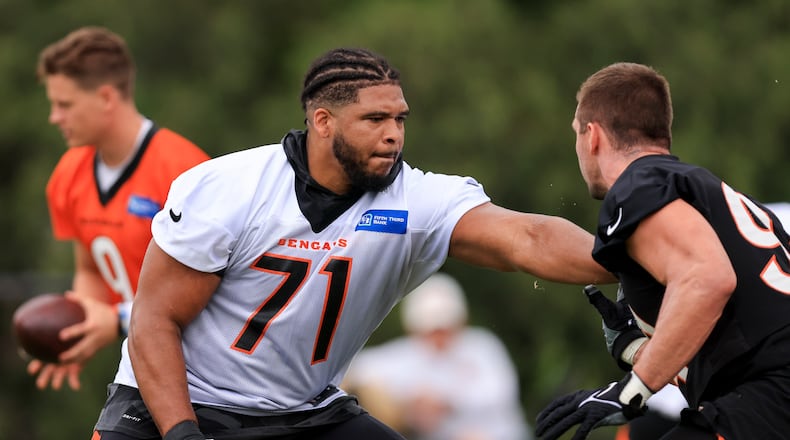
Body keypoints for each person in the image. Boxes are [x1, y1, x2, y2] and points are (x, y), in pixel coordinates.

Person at [92, 47, 615, 440]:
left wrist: (625, 256)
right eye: (375, 119)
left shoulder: (415, 201)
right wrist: (182, 433)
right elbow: (153, 321)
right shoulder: (231, 187)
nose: (394, 134)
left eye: (399, 119)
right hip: (180, 401)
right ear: (323, 122)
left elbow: (527, 238)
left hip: (300, 411)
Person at [534, 62, 790, 440]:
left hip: (769, 398)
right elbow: (738, 336)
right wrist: (635, 349)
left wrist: (632, 390)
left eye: (576, 132)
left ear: (593, 136)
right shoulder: (707, 193)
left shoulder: (636, 185)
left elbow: (709, 279)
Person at [30, 26, 209, 391]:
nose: (54, 117)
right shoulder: (69, 173)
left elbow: (207, 291)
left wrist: (116, 320)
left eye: (65, 105)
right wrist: (80, 329)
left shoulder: (186, 172)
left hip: (211, 369)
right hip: (145, 360)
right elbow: (91, 269)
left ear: (106, 97)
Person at [344, 272, 531, 440]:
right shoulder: (405, 356)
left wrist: (446, 403)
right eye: (431, 330)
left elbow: (502, 392)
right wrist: (404, 405)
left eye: (445, 328)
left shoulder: (482, 346)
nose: (439, 337)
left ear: (461, 321)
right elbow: (355, 370)